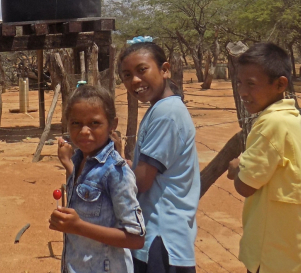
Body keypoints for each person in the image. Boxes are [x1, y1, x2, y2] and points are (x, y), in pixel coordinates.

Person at [226, 43, 301, 273]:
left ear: (280, 84)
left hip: (270, 254)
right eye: (239, 83)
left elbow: (246, 186)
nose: (243, 92)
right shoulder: (297, 123)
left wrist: (236, 168)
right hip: (297, 250)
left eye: (251, 84)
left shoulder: (271, 125)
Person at [119, 39, 200, 273]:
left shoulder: (167, 113)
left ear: (165, 69)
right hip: (164, 233)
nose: (134, 80)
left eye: (141, 70)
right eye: (126, 75)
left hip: (161, 235)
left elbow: (142, 181)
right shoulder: (161, 108)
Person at [51, 83, 145, 273]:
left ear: (112, 125)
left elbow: (136, 238)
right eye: (76, 123)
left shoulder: (117, 172)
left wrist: (78, 226)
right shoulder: (79, 161)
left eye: (94, 123)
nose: (84, 131)